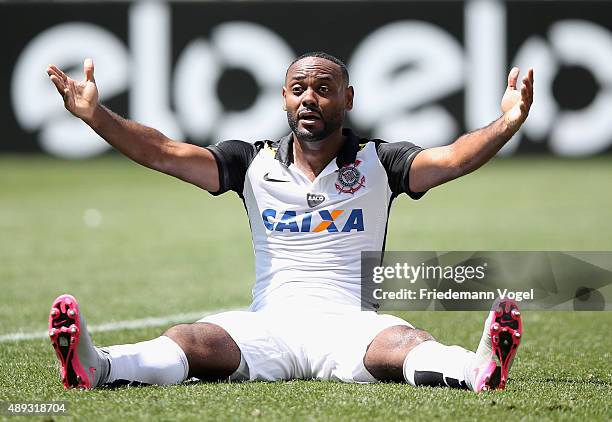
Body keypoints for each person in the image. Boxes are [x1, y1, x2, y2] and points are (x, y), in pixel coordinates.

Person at [46, 52, 532, 391]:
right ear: (283, 99)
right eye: (298, 89)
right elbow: (166, 154)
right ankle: (97, 366)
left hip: (351, 327)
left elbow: (450, 160)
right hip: (268, 326)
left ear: (348, 98)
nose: (309, 99)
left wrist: (507, 122)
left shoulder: (381, 161)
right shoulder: (250, 162)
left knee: (408, 343)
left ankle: (478, 369)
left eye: (324, 89)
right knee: (188, 339)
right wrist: (97, 117)